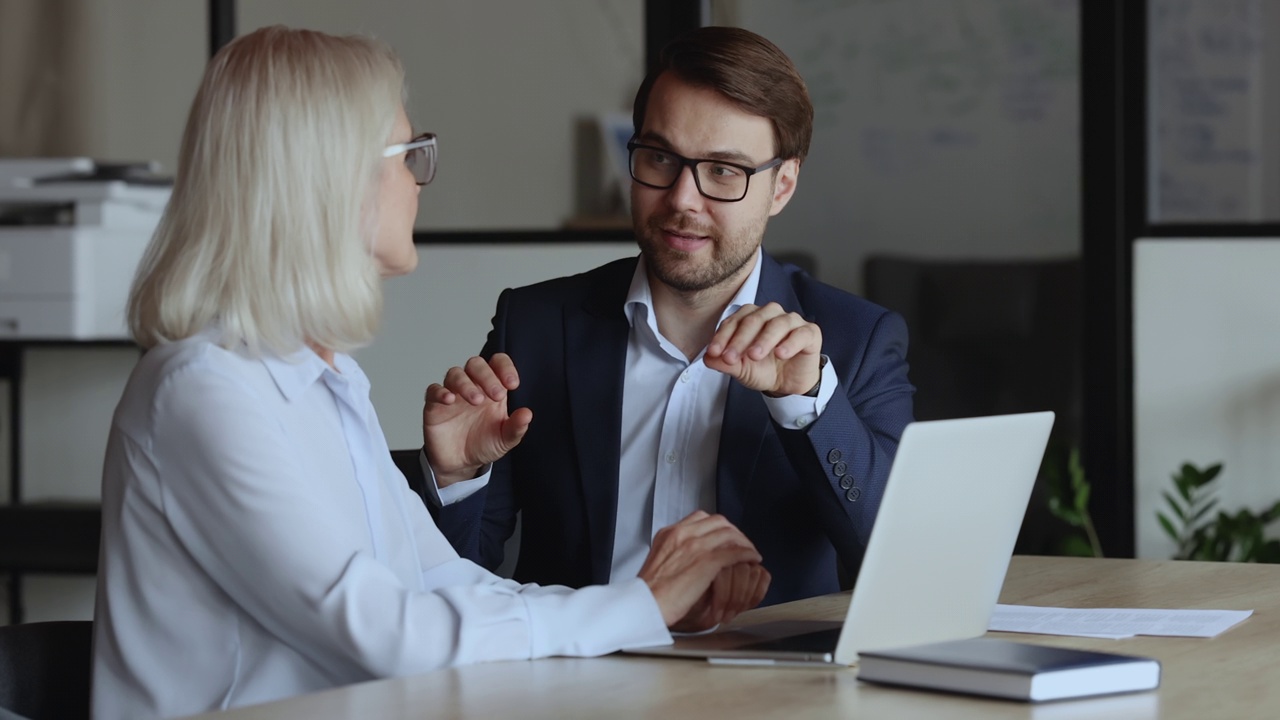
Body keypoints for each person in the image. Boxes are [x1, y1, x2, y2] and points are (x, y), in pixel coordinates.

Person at [92, 26, 770, 720]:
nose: (420, 180)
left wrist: (641, 615)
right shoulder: (204, 390)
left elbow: (442, 584)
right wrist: (639, 603)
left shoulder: (325, 378)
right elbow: (390, 636)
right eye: (409, 154)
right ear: (331, 176)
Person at [419, 26, 915, 606]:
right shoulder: (534, 325)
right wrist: (456, 479)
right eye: (659, 158)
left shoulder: (857, 340)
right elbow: (452, 585)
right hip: (576, 677)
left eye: (724, 171)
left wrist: (806, 401)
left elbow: (895, 558)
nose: (682, 199)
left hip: (767, 683)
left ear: (782, 186)